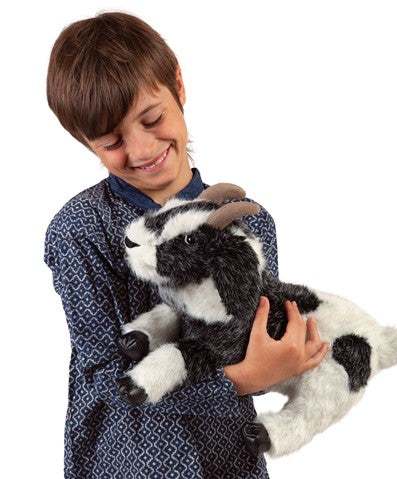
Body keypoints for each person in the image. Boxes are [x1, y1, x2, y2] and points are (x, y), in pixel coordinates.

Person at [44, 11, 329, 479]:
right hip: (125, 464)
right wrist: (241, 379)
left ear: (177, 83)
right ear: (84, 140)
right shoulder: (78, 229)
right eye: (112, 141)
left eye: (152, 118)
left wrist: (287, 359)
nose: (141, 150)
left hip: (229, 460)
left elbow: (255, 343)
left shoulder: (248, 222)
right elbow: (103, 378)